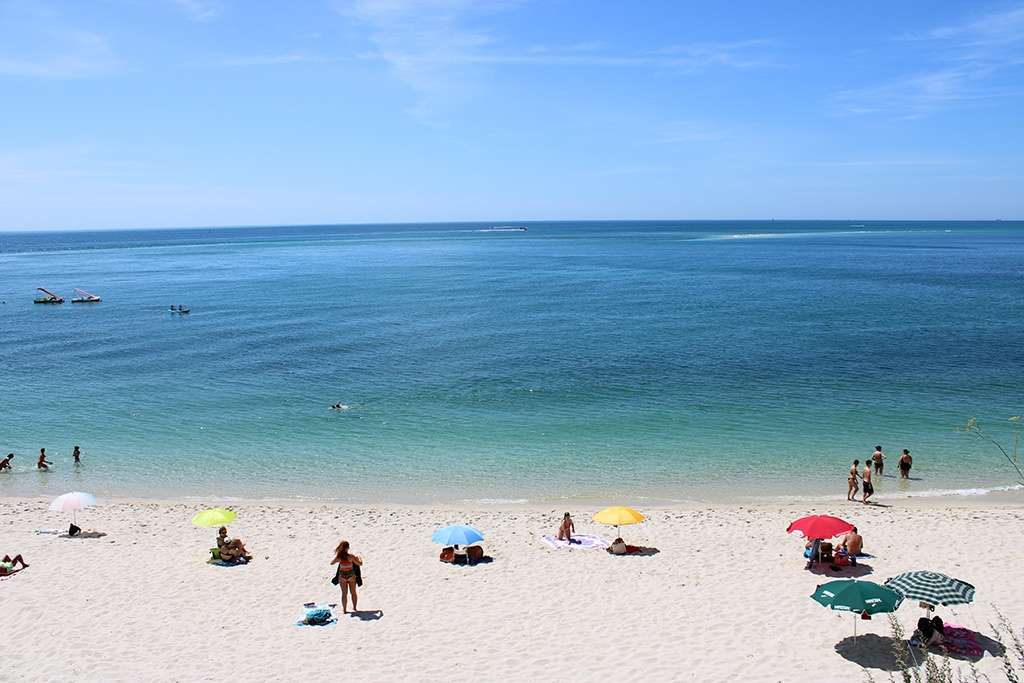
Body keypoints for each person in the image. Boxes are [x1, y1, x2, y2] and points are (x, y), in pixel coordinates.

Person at [332, 540, 363, 614]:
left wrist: (338, 559)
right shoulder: (351, 557)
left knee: (344, 594)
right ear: (347, 548)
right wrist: (359, 558)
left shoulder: (339, 557)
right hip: (351, 575)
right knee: (353, 592)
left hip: (342, 576)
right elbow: (360, 564)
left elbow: (331, 563)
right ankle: (355, 608)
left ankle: (344, 610)